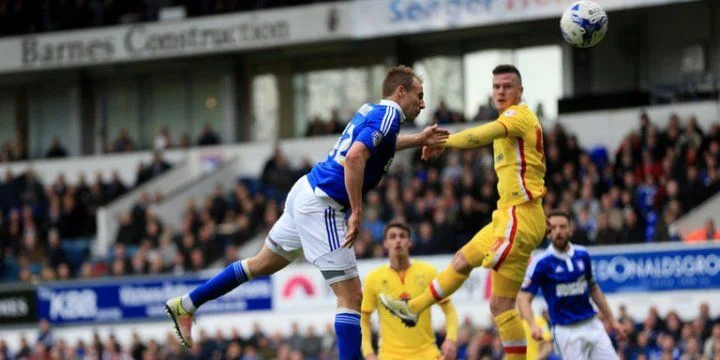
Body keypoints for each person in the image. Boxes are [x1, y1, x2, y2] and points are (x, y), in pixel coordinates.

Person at [165, 65, 448, 360]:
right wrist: (357, 211)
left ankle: (186, 303)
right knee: (350, 297)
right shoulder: (389, 116)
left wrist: (418, 139)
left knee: (258, 265)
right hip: (323, 203)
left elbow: (378, 146)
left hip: (307, 190)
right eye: (420, 95)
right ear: (400, 92)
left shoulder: (376, 112)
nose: (423, 103)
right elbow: (354, 158)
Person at [380, 64, 547, 360]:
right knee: (461, 260)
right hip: (506, 216)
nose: (501, 92)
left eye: (507, 86)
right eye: (496, 87)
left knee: (501, 305)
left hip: (521, 216)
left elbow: (477, 136)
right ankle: (414, 308)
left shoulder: (518, 116)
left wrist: (442, 141)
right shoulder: (513, 119)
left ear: (520, 91)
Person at [516, 210, 625, 359]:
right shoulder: (541, 263)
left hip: (592, 324)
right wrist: (533, 325)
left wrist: (612, 321)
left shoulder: (582, 254)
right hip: (565, 331)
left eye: (562, 227)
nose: (558, 231)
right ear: (548, 232)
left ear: (571, 229)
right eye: (553, 228)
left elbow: (594, 289)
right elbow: (523, 298)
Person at [361, 221, 458, 360]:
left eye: (402, 236)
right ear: (385, 243)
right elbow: (364, 319)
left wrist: (451, 339)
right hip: (390, 356)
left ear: (410, 242)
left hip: (427, 354)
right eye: (392, 237)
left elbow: (449, 310)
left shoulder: (428, 272)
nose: (398, 240)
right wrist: (368, 353)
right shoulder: (373, 279)